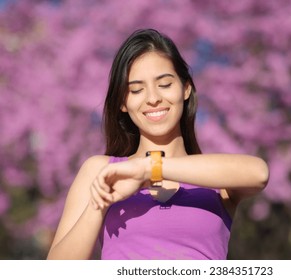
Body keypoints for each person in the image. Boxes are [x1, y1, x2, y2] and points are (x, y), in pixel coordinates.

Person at [46, 28, 269, 260]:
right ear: (123, 102)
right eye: (136, 89)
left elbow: (259, 173)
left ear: (186, 88)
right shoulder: (102, 171)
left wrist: (148, 168)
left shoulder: (215, 179)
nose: (153, 98)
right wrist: (99, 204)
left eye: (164, 84)